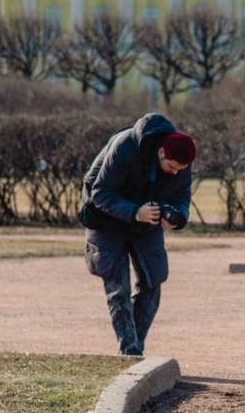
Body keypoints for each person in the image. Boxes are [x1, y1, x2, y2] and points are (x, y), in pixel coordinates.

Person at [80, 114, 195, 356]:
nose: (176, 173)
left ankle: (134, 350)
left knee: (153, 282)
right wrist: (134, 212)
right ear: (161, 152)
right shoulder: (125, 147)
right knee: (117, 286)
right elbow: (100, 192)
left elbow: (182, 196)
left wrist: (178, 217)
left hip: (147, 221)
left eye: (180, 170)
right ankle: (130, 352)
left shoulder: (182, 159)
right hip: (105, 218)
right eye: (172, 168)